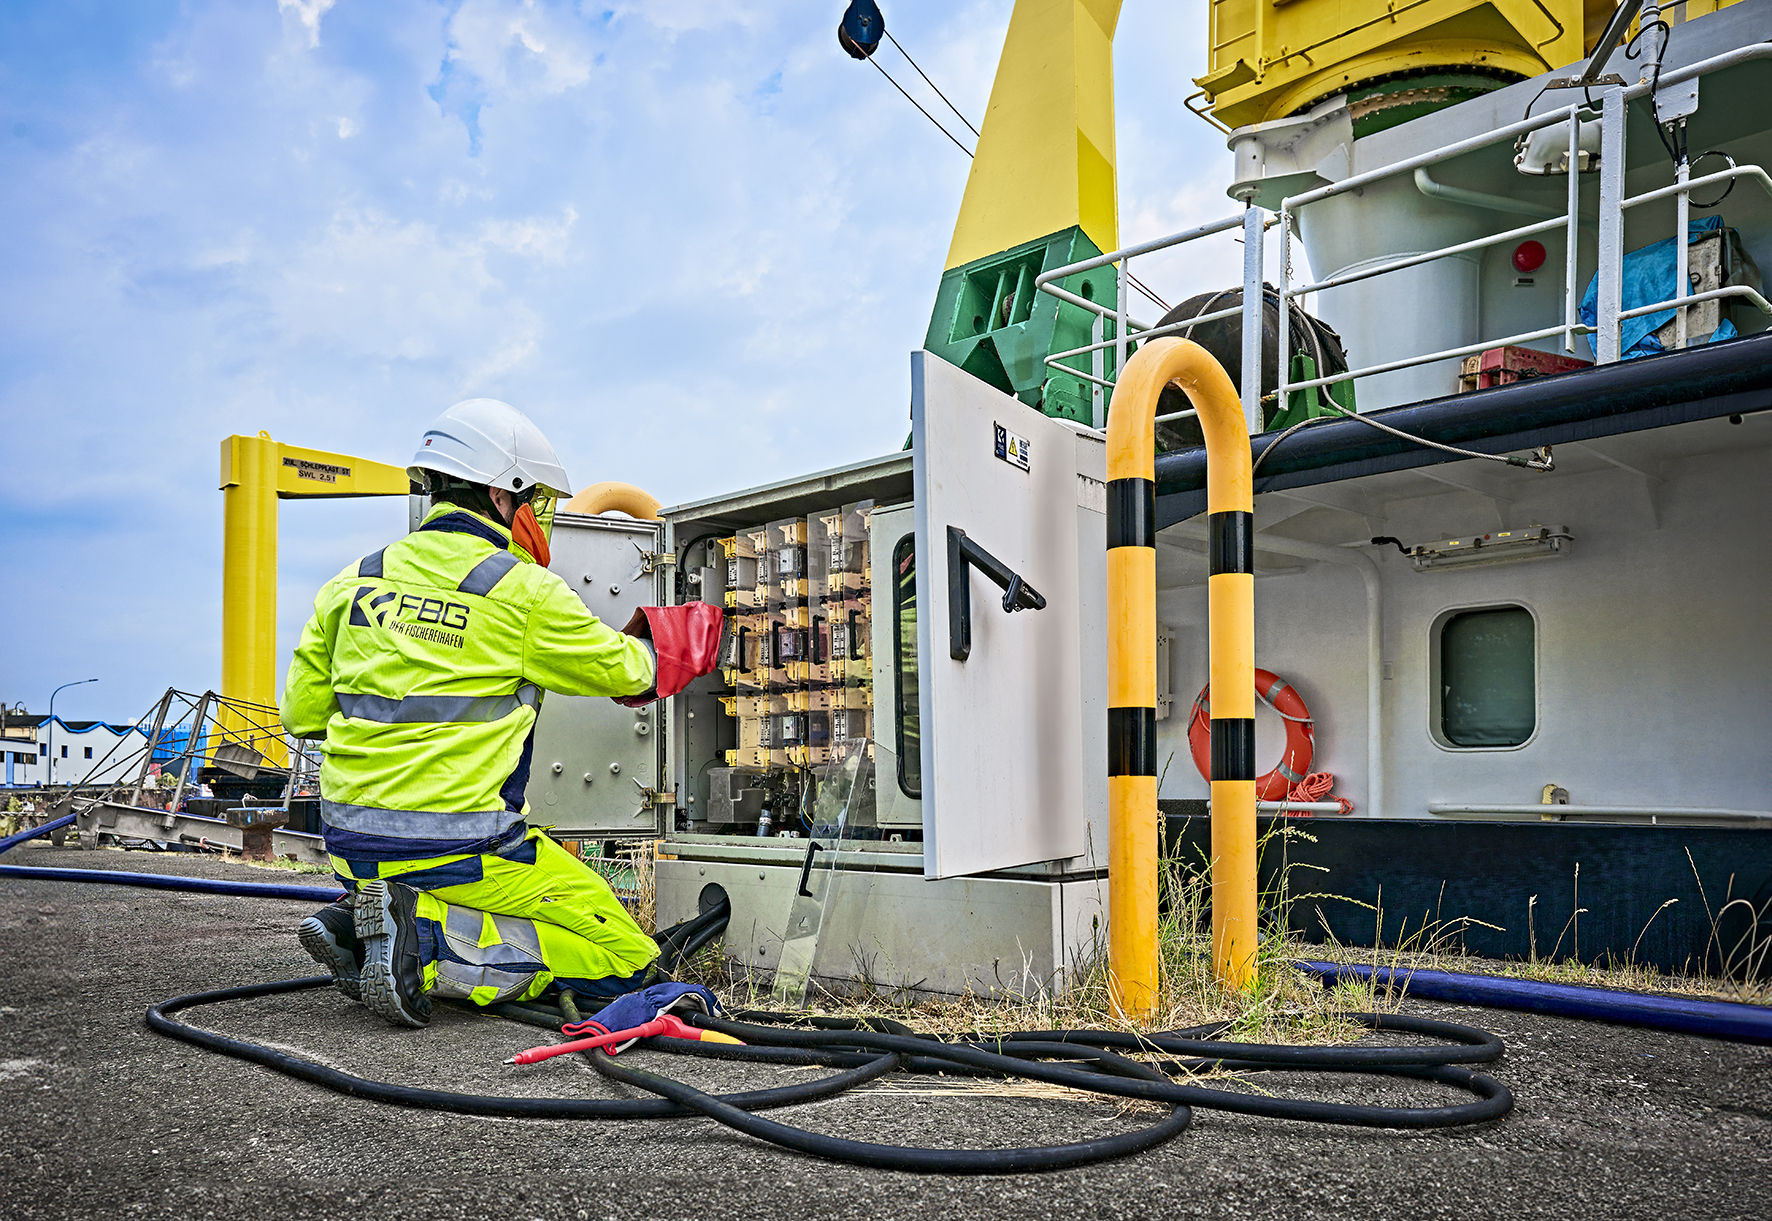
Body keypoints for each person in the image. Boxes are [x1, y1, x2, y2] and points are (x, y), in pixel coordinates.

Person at [283, 399, 722, 1028]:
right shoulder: (519, 591)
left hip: (351, 843)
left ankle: (364, 917)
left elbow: (302, 713)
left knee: (558, 906)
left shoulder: (352, 582)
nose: (537, 517)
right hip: (465, 849)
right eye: (534, 500)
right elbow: (633, 670)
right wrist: (698, 627)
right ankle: (425, 944)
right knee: (625, 962)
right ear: (499, 495)